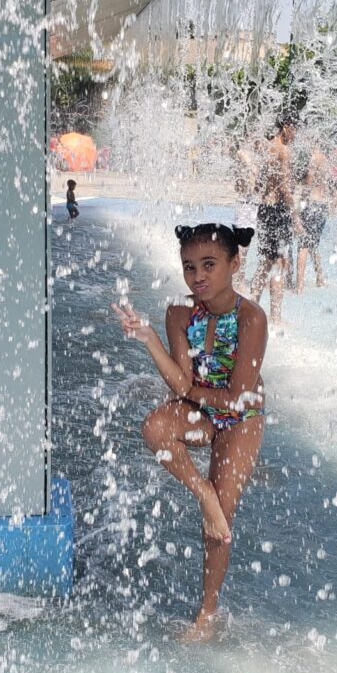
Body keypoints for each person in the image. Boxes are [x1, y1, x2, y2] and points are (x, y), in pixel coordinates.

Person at [112, 223, 267, 642]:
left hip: (241, 421)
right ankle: (205, 496)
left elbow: (237, 398)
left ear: (235, 264)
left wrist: (192, 391)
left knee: (220, 523)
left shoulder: (251, 318)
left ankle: (207, 614)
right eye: (189, 267)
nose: (197, 275)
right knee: (155, 428)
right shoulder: (179, 315)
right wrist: (147, 338)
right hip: (203, 409)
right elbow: (176, 386)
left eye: (209, 265)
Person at [251, 116, 300, 326]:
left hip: (264, 208)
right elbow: (285, 187)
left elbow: (259, 184)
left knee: (265, 261)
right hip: (278, 210)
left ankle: (251, 303)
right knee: (279, 262)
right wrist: (295, 215)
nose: (296, 135)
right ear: (287, 128)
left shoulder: (267, 147)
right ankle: (276, 317)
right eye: (295, 129)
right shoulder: (284, 151)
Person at [296, 144, 330, 293]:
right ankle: (320, 278)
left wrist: (298, 207)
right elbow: (328, 186)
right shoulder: (326, 161)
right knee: (312, 244)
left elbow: (308, 184)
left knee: (303, 245)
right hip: (322, 206)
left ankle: (300, 287)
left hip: (311, 204)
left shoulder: (313, 159)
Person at [232, 132, 261, 290]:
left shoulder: (250, 154)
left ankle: (239, 278)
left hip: (251, 202)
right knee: (242, 246)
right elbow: (254, 171)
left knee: (246, 246)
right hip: (245, 203)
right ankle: (237, 280)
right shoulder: (242, 153)